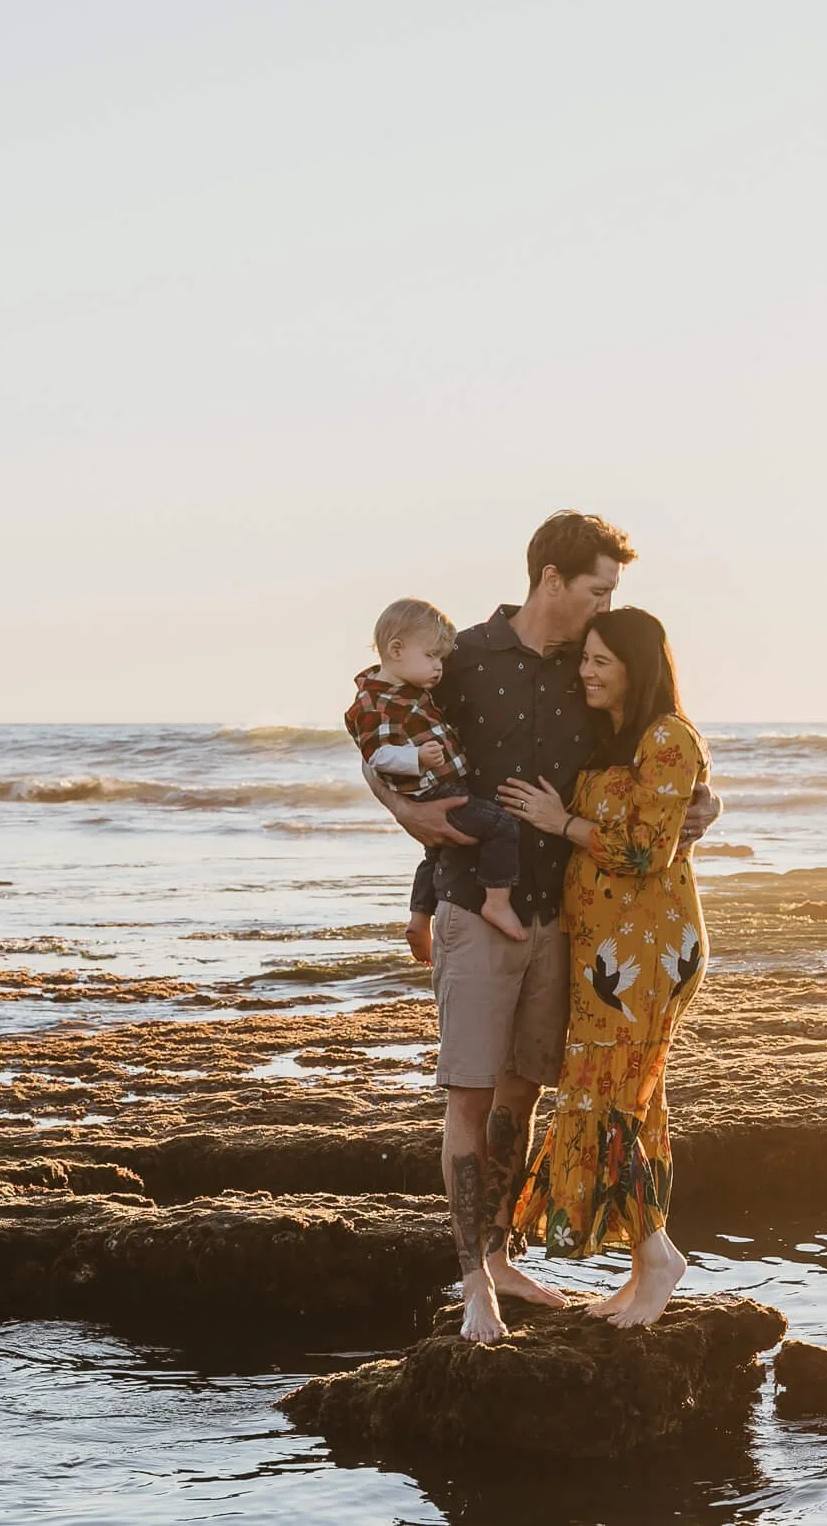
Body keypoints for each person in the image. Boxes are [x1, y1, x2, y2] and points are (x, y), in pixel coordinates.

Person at [363, 511, 719, 1343]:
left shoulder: (591, 670)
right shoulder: (462, 658)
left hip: (565, 921)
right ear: (552, 580)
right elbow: (381, 722)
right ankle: (474, 1289)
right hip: (474, 906)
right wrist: (400, 809)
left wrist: (706, 799)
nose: (606, 607)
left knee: (522, 1094)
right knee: (469, 1095)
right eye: (598, 589)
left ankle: (501, 1255)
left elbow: (660, 744)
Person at [499, 607, 706, 1328]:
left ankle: (658, 1260)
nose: (585, 672)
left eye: (600, 662)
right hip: (604, 952)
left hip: (650, 949)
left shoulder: (668, 738)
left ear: (635, 669)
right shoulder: (610, 739)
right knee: (631, 1100)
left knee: (605, 1097)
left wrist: (561, 822)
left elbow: (648, 847)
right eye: (583, 659)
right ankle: (646, 1267)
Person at [344, 598, 528, 945]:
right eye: (430, 656)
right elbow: (377, 756)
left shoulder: (408, 690)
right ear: (396, 650)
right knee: (502, 826)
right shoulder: (374, 703)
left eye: (440, 658)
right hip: (434, 790)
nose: (439, 667)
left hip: (439, 785)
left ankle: (418, 918)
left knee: (437, 853)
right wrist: (416, 758)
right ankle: (497, 902)